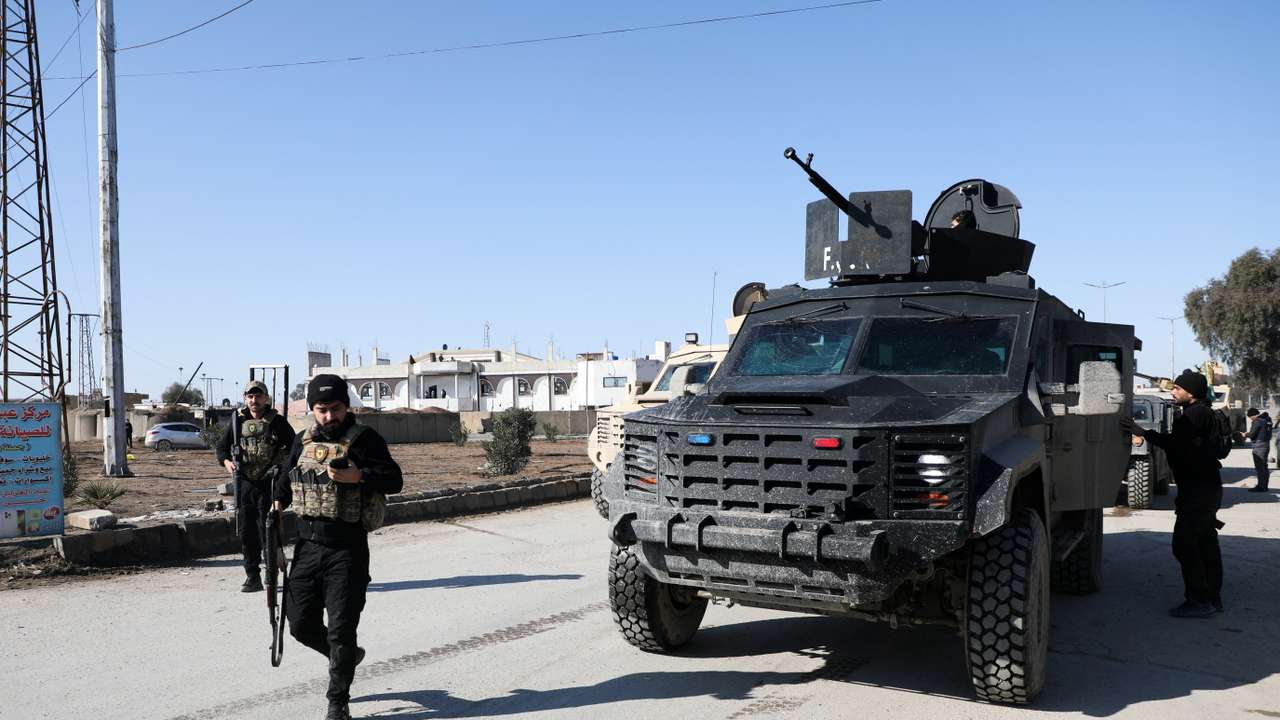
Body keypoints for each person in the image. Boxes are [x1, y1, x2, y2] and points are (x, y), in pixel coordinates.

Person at [275, 374, 403, 720]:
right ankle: (345, 655)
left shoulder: (365, 440)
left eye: (335, 409)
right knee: (300, 625)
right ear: (312, 409)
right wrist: (276, 501)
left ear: (346, 406)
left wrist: (359, 476)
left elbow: (395, 479)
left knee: (341, 628)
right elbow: (287, 478)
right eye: (321, 410)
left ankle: (338, 702)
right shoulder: (301, 440)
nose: (328, 416)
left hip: (346, 548)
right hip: (306, 546)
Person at [1121, 370, 1223, 618]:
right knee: (1205, 542)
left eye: (1178, 388)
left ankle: (1200, 600)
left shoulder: (1195, 414)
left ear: (1192, 392)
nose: (1173, 391)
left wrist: (1143, 432)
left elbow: (1175, 444)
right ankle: (1211, 597)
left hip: (1199, 488)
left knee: (1184, 543)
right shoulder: (1201, 413)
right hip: (1205, 486)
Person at [215, 380, 296, 592]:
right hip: (245, 484)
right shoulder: (236, 421)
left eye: (258, 396)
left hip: (269, 483)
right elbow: (222, 449)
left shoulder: (277, 421)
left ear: (266, 399)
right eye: (250, 396)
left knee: (267, 530)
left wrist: (280, 468)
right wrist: (228, 463)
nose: (254, 400)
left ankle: (271, 573)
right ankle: (252, 576)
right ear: (245, 398)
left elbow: (294, 448)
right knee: (246, 532)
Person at [1245, 408, 1272, 492]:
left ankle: (1261, 487)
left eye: (1250, 417)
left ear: (1253, 415)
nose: (1250, 419)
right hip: (1266, 444)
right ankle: (1264, 486)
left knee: (1260, 467)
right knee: (1264, 467)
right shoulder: (1267, 419)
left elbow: (1252, 434)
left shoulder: (1257, 421)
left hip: (1259, 446)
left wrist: (1245, 434)